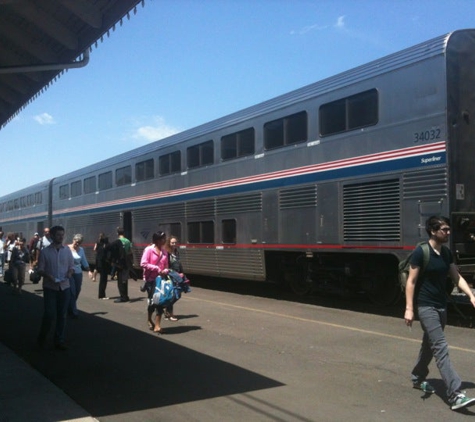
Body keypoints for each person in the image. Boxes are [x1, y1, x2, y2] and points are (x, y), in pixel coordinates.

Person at [405, 215, 475, 411]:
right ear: (433, 231)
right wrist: (409, 309)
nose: (448, 232)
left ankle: (418, 377)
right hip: (426, 306)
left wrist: (471, 295)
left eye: (448, 229)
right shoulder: (421, 252)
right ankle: (455, 394)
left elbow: (456, 276)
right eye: (444, 229)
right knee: (441, 347)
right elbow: (410, 282)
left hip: (441, 306)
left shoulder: (445, 253)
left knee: (430, 344)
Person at [37, 225, 74, 350]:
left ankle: (59, 340)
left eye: (62, 234)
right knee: (49, 314)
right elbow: (40, 270)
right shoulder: (45, 252)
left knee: (62, 315)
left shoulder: (67, 251)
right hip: (50, 287)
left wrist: (70, 273)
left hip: (64, 287)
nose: (61, 237)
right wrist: (48, 276)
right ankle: (42, 338)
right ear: (52, 236)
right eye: (58, 235)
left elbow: (71, 267)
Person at [140, 231, 169, 333]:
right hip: (150, 280)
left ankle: (157, 325)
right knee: (153, 303)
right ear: (157, 240)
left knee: (159, 302)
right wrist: (156, 268)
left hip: (160, 280)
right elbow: (143, 263)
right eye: (162, 238)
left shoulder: (164, 252)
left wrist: (165, 270)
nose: (164, 240)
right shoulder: (149, 250)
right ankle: (149, 318)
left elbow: (166, 266)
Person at [67, 234, 92, 318]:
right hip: (69, 272)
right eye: (76, 242)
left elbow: (84, 260)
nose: (77, 244)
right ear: (73, 240)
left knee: (77, 290)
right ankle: (74, 311)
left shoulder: (81, 250)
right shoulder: (67, 249)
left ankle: (69, 307)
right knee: (72, 292)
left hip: (78, 272)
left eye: (79, 243)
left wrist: (89, 270)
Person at [111, 227, 133, 303]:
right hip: (126, 262)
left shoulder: (117, 241)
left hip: (119, 262)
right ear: (124, 233)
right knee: (125, 279)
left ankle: (122, 297)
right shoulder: (127, 241)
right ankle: (126, 295)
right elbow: (130, 252)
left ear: (117, 233)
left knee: (120, 280)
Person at [164, 235, 183, 321]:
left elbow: (179, 263)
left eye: (175, 242)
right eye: (172, 242)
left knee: (177, 294)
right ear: (169, 243)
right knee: (173, 294)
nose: (174, 244)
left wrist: (181, 272)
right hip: (170, 275)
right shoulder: (167, 253)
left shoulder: (176, 252)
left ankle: (166, 308)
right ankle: (170, 314)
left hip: (177, 275)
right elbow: (166, 265)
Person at [94, 233, 110, 299]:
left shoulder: (98, 244)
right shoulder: (105, 246)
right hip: (104, 264)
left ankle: (101, 294)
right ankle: (102, 295)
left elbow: (96, 253)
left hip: (99, 264)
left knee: (102, 280)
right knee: (103, 280)